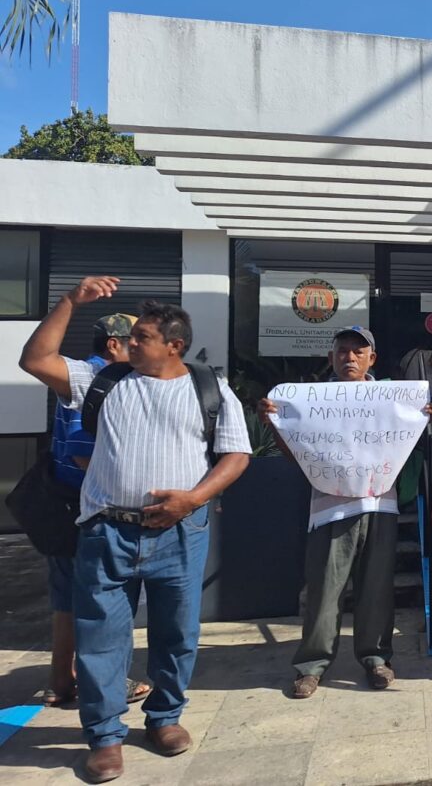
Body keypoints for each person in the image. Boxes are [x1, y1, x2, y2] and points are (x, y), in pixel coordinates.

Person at [19, 277, 251, 784]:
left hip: (181, 533)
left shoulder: (209, 388)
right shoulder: (103, 380)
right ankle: (104, 738)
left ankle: (165, 719)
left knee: (176, 634)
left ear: (174, 345)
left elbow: (236, 455)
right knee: (100, 636)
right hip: (107, 533)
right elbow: (35, 361)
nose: (128, 344)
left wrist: (193, 498)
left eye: (141, 337)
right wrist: (69, 302)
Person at [257, 326, 430, 699]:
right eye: (342, 351)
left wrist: (420, 419)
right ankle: (312, 665)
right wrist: (274, 424)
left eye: (357, 351)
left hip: (379, 506)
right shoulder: (312, 402)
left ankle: (376, 658)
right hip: (329, 510)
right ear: (331, 357)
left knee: (377, 589)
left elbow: (408, 442)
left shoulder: (391, 400)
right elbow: (297, 458)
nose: (349, 357)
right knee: (324, 590)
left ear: (372, 359)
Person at [43, 313, 151, 710]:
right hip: (86, 510)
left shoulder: (97, 378)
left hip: (65, 505)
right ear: (113, 345)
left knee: (68, 599)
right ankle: (105, 682)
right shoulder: (93, 381)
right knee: (100, 601)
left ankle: (60, 681)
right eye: (136, 340)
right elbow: (83, 451)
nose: (141, 348)